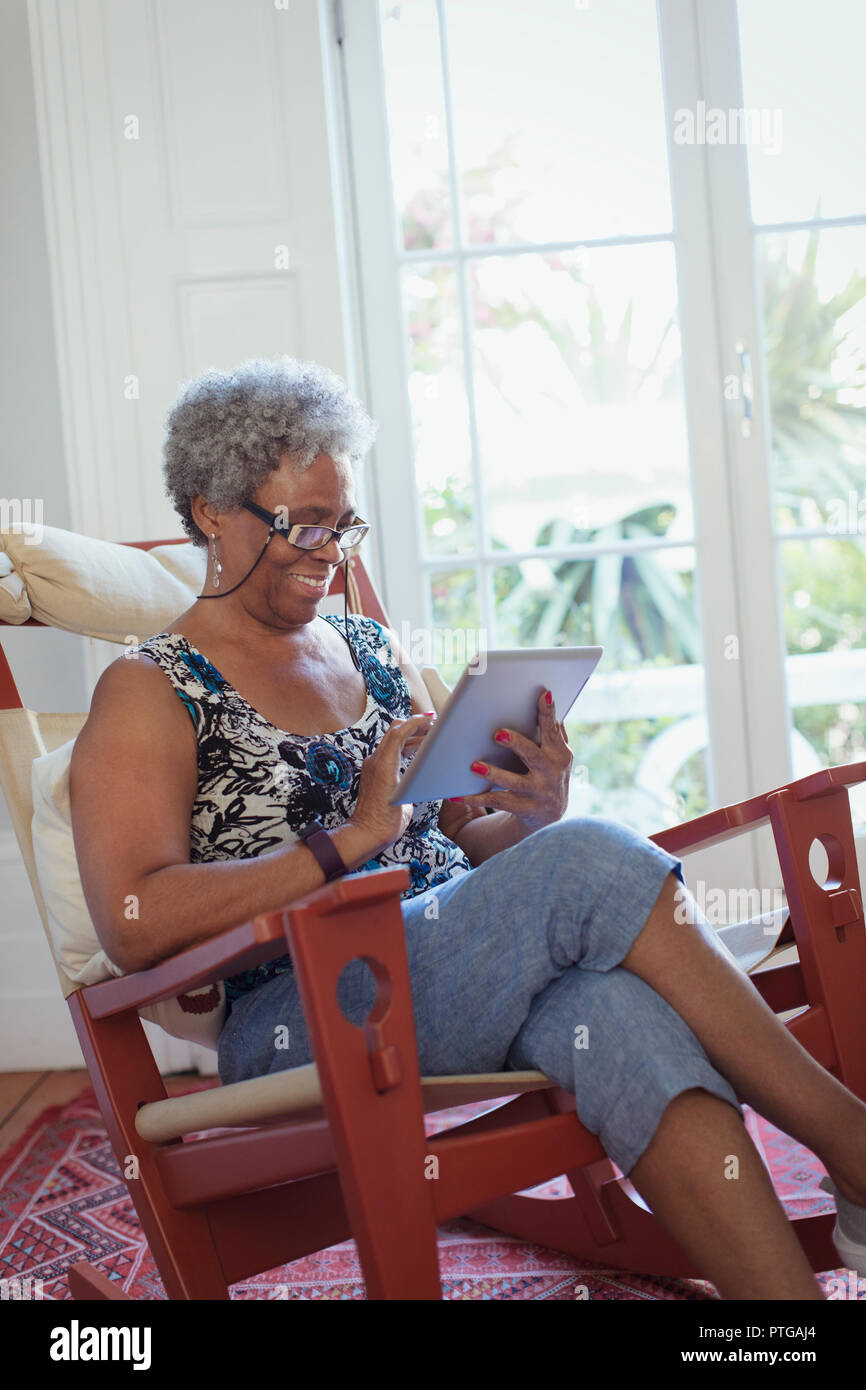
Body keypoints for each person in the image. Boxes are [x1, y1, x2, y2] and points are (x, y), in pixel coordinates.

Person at [70, 355, 866, 1300]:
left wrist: (529, 819)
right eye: (303, 524)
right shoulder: (150, 688)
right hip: (303, 1007)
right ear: (209, 510)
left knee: (618, 1017)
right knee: (590, 863)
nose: (330, 553)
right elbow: (133, 919)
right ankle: (855, 1148)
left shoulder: (365, 643)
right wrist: (344, 842)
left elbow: (444, 846)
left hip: (446, 958)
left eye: (344, 523)